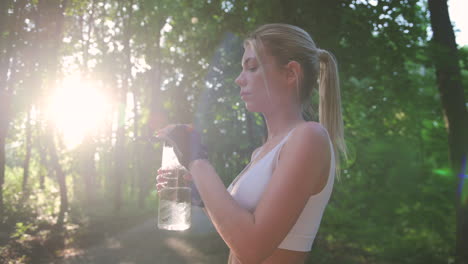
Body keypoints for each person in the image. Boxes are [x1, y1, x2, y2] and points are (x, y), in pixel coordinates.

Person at [156, 23, 347, 264]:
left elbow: (252, 248)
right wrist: (200, 196)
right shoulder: (263, 152)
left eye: (252, 68)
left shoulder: (310, 137)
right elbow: (236, 229)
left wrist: (196, 158)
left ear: (290, 74)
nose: (239, 80)